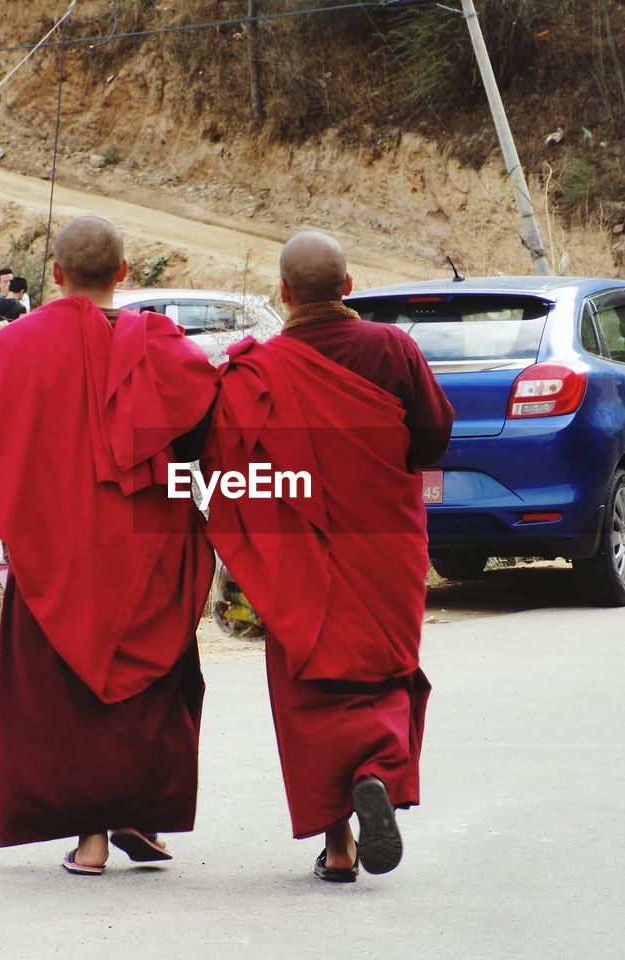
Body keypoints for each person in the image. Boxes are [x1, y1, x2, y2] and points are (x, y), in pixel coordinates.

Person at [0, 216, 219, 875]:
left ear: (57, 276)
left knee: (65, 692)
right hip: (142, 553)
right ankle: (134, 815)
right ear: (123, 274)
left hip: (54, 554)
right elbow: (207, 428)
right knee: (144, 687)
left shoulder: (12, 347)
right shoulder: (162, 345)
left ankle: (92, 840)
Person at [201, 230, 454, 882]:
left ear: (283, 294)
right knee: (384, 669)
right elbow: (433, 436)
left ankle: (338, 845)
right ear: (348, 287)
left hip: (296, 555)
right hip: (384, 544)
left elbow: (227, 469)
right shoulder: (392, 349)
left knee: (309, 688)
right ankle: (375, 770)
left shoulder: (255, 373)